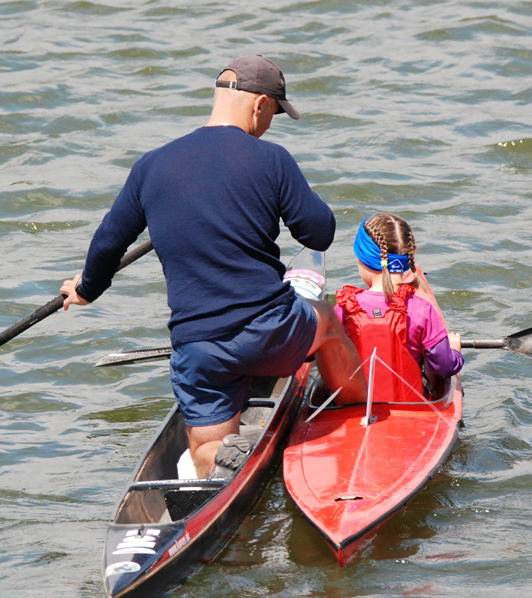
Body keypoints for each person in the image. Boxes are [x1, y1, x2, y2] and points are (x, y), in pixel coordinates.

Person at [61, 55, 366, 478]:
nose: (271, 123)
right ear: (260, 105)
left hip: (199, 345)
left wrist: (86, 288)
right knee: (328, 322)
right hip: (269, 331)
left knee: (204, 444)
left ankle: (220, 454)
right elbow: (319, 235)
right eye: (275, 113)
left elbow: (108, 243)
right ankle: (359, 412)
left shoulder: (151, 166)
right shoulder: (272, 160)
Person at [334, 214, 464, 402]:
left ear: (363, 259)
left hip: (354, 408)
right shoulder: (422, 310)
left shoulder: (342, 309)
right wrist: (455, 352)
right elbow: (443, 366)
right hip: (407, 408)